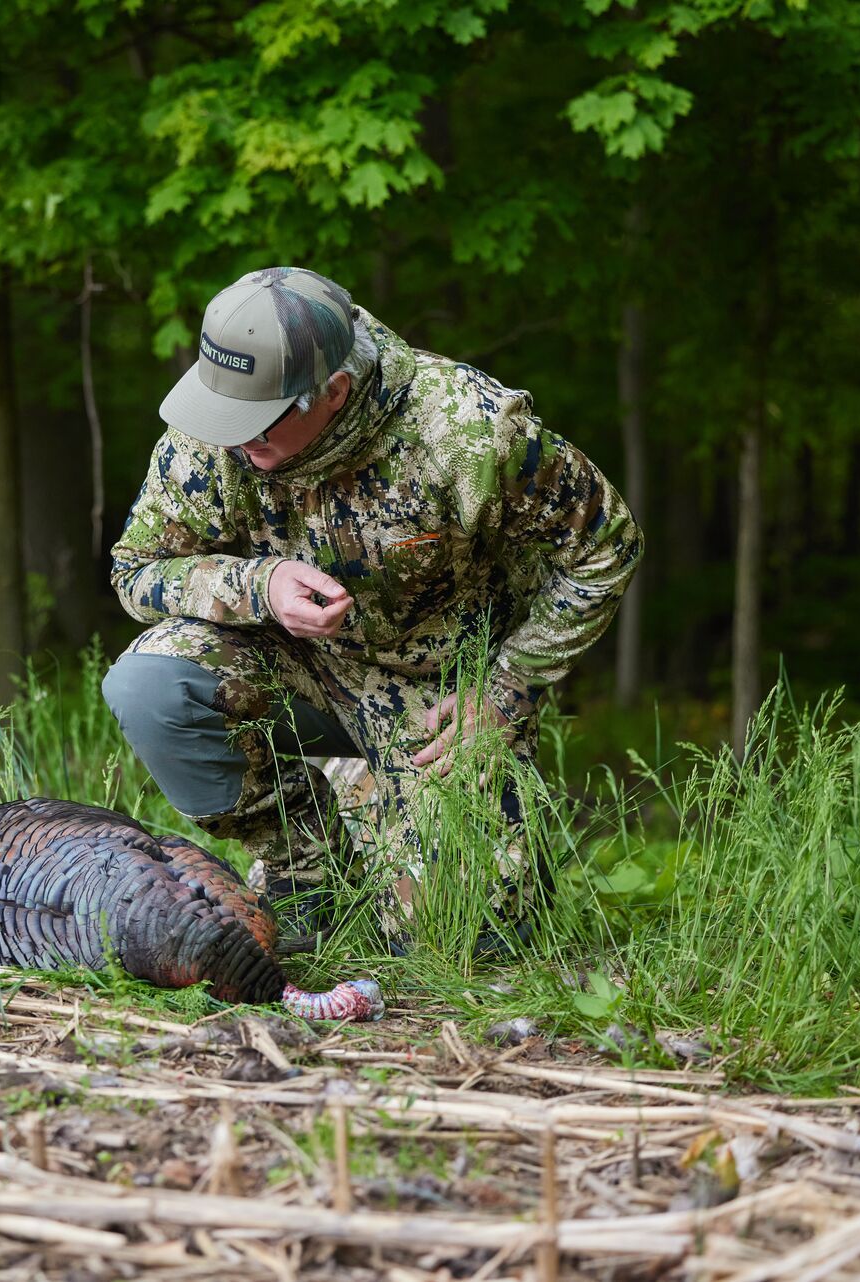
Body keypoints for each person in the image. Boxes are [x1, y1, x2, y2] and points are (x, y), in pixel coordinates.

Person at [102, 266, 641, 952]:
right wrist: (259, 587)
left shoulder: (465, 432)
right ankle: (306, 876)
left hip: (440, 700)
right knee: (152, 684)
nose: (237, 443)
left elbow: (605, 546)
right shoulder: (216, 431)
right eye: (224, 419)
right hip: (291, 665)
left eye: (258, 429)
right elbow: (136, 569)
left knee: (464, 945)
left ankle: (386, 810)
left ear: (333, 392)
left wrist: (506, 691)